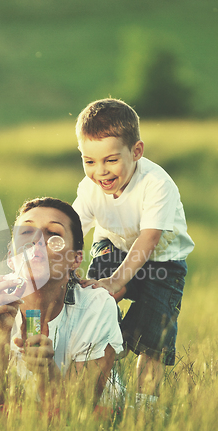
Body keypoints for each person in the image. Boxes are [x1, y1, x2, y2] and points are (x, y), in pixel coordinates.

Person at [72, 98, 194, 408]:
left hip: (162, 263)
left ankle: (144, 408)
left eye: (110, 160)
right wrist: (52, 260)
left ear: (136, 152)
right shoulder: (89, 189)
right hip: (112, 248)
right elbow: (72, 229)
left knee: (153, 339)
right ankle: (105, 364)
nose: (100, 172)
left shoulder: (156, 184)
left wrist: (116, 281)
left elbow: (148, 239)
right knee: (95, 302)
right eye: (89, 161)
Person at [0, 197, 123, 411]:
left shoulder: (96, 307)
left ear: (75, 259)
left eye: (54, 234)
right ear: (10, 256)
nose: (38, 242)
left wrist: (47, 372)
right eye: (26, 232)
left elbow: (78, 414)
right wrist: (0, 333)